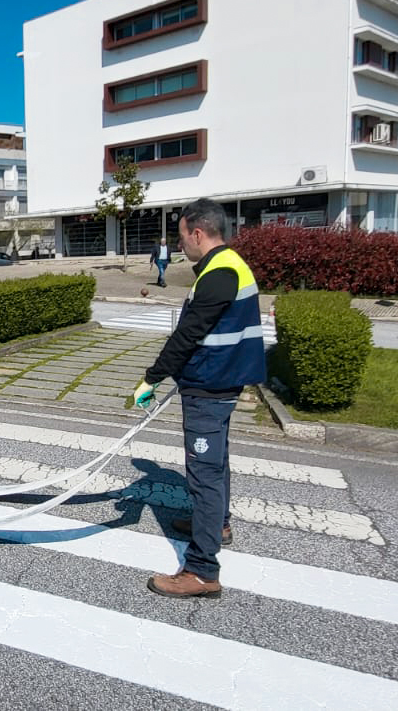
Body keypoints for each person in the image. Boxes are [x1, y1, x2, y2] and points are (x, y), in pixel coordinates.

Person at [133, 198, 266, 600]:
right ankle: (218, 524)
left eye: (181, 237)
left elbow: (187, 334)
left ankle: (201, 570)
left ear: (197, 232)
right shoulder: (229, 265)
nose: (180, 246)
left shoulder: (219, 272)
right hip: (221, 381)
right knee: (217, 462)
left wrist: (151, 378)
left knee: (203, 474)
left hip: (210, 384)